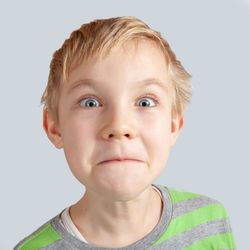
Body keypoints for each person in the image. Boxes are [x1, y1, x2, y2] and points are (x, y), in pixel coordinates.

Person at [14, 16, 236, 250]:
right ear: (55, 127)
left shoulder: (210, 222)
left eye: (145, 102)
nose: (119, 126)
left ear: (173, 126)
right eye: (90, 103)